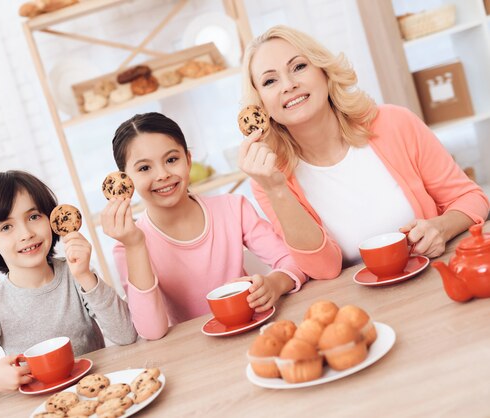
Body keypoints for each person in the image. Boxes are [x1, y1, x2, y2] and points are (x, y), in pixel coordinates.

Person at [238, 25, 489, 279]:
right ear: (261, 105)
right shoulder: (270, 179)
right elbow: (323, 269)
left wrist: (442, 227)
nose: (289, 85)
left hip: (437, 278)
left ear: (324, 71)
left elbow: (472, 198)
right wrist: (277, 190)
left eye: (299, 67)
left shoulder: (394, 123)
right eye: (270, 81)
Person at [0, 171, 137, 406]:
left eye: (34, 216)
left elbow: (126, 335)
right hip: (42, 409)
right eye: (6, 227)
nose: (26, 233)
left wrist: (86, 276)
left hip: (97, 399)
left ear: (52, 220)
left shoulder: (75, 274)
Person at [101, 112, 307, 340]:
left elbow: (294, 262)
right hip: (195, 351)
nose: (162, 175)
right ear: (125, 181)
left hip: (255, 332)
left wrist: (274, 284)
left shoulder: (232, 208)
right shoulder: (128, 248)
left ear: (188, 160)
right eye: (144, 168)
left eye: (171, 160)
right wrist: (136, 245)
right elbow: (151, 331)